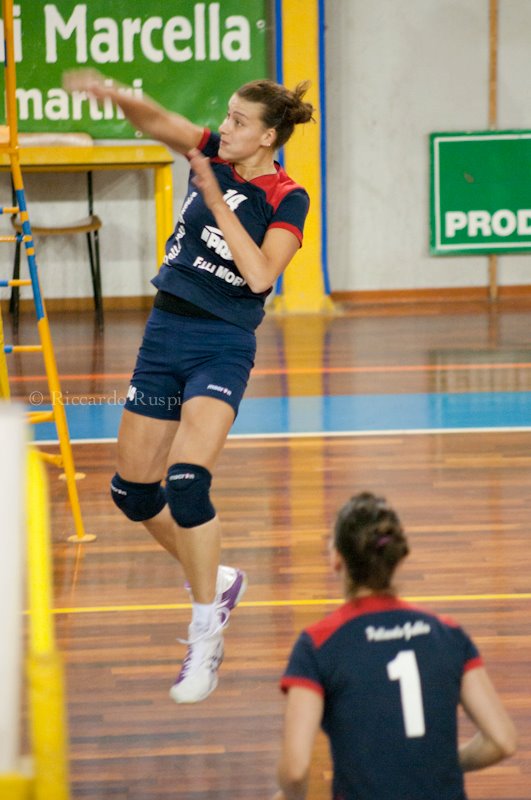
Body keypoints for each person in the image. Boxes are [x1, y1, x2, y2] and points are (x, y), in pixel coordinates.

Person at [63, 68, 314, 704]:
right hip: (165, 334)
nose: (224, 127)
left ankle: (205, 635)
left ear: (268, 137)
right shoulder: (209, 151)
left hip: (222, 345)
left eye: (238, 121)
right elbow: (158, 120)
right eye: (226, 115)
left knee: (186, 482)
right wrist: (115, 95)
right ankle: (219, 578)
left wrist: (217, 199)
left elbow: (261, 276)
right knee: (132, 493)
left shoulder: (289, 197)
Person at [274, 491, 517, 800]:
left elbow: (295, 771)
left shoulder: (318, 643)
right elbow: (503, 741)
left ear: (337, 559)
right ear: (396, 557)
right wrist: (440, 764)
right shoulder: (447, 633)